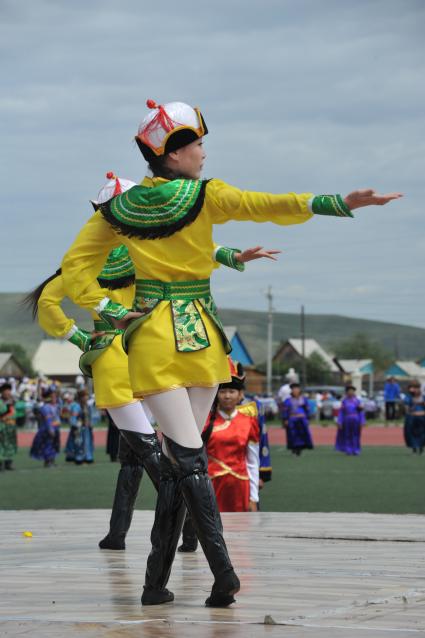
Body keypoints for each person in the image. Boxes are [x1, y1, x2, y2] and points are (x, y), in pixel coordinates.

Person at [59, 99, 401, 607]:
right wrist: (336, 202)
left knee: (180, 461)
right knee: (188, 457)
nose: (202, 152)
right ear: (173, 155)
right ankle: (220, 575)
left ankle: (158, 582)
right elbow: (268, 204)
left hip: (156, 339)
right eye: (196, 144)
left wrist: (108, 309)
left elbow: (73, 269)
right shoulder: (208, 196)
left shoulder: (119, 212)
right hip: (201, 336)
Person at [30, 388, 61, 467]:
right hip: (48, 429)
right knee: (48, 445)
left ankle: (52, 460)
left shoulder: (55, 406)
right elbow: (48, 420)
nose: (55, 398)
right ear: (49, 398)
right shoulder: (46, 407)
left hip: (56, 428)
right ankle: (48, 461)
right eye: (53, 397)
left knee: (54, 445)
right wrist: (50, 429)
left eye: (55, 397)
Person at [281, 383, 313, 456]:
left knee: (302, 434)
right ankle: (294, 449)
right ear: (291, 391)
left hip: (302, 419)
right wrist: (285, 419)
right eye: (294, 389)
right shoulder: (288, 400)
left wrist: (308, 418)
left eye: (297, 389)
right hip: (292, 420)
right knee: (292, 435)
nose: (295, 390)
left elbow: (307, 409)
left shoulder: (303, 399)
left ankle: (300, 449)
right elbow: (285, 410)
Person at [335, 385, 365, 456]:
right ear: (347, 392)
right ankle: (348, 449)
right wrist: (340, 421)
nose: (351, 392)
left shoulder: (357, 401)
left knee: (356, 435)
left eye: (352, 391)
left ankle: (356, 449)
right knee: (347, 434)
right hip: (347, 419)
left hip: (356, 419)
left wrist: (362, 421)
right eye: (349, 391)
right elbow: (341, 412)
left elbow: (361, 412)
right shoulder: (344, 401)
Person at [403, 381, 425, 454]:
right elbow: (407, 410)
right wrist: (413, 406)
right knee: (411, 433)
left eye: (415, 388)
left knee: (422, 433)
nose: (412, 390)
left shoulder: (423, 397)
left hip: (422, 417)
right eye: (411, 388)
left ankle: (421, 447)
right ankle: (414, 448)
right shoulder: (408, 397)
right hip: (412, 418)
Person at [0, 382, 17, 471]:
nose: (8, 392)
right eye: (6, 390)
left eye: (9, 390)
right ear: (2, 392)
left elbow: (14, 414)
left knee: (10, 446)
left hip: (10, 428)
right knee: (1, 446)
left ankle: (8, 463)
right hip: (1, 427)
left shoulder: (11, 402)